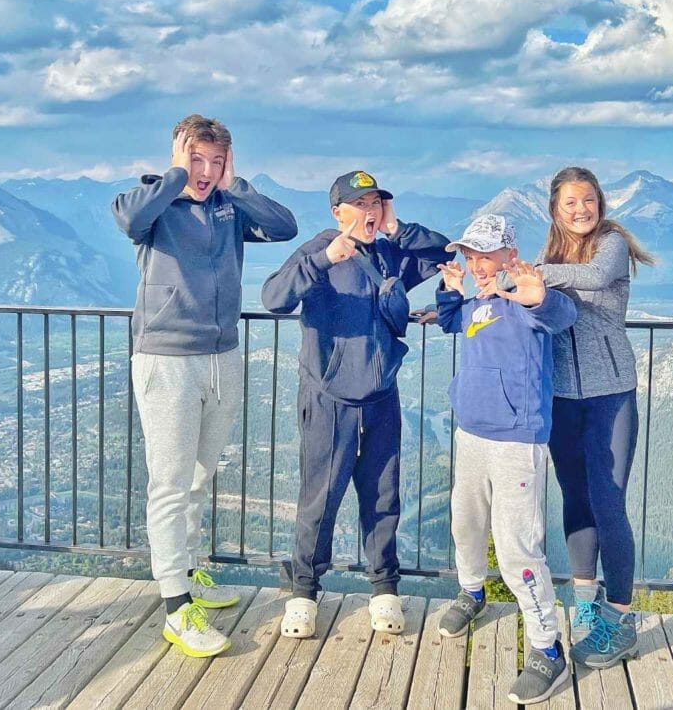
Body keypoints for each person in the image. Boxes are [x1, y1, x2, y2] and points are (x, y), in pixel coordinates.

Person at [112, 114, 297, 658]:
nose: (206, 170)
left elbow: (284, 227)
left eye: (216, 161)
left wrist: (235, 186)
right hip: (167, 359)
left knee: (198, 476)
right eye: (197, 158)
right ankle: (176, 607)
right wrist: (175, 174)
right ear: (178, 155)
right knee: (170, 483)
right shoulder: (152, 204)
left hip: (222, 357)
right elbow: (128, 218)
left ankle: (189, 576)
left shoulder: (228, 206)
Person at [261, 170, 451, 639]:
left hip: (381, 396)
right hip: (329, 400)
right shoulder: (318, 251)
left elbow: (445, 254)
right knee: (320, 498)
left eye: (375, 203)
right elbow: (273, 298)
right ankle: (304, 593)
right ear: (337, 211)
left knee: (383, 495)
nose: (369, 211)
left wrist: (397, 228)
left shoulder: (389, 253)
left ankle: (384, 588)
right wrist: (324, 260)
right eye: (360, 204)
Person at [434, 214, 577, 705]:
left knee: (517, 546)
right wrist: (450, 290)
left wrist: (536, 295)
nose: (477, 264)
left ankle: (547, 646)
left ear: (509, 256)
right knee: (466, 522)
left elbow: (560, 315)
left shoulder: (523, 298)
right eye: (470, 255)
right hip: (471, 432)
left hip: (517, 439)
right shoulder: (479, 299)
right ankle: (472, 591)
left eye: (486, 255)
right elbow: (453, 321)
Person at [535, 166, 655, 669]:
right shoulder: (550, 255)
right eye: (570, 202)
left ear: (599, 203)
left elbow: (596, 278)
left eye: (587, 200)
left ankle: (621, 619)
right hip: (563, 396)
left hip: (611, 395)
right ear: (555, 209)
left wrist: (536, 275)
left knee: (608, 503)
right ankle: (585, 604)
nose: (581, 209)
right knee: (576, 499)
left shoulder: (611, 244)